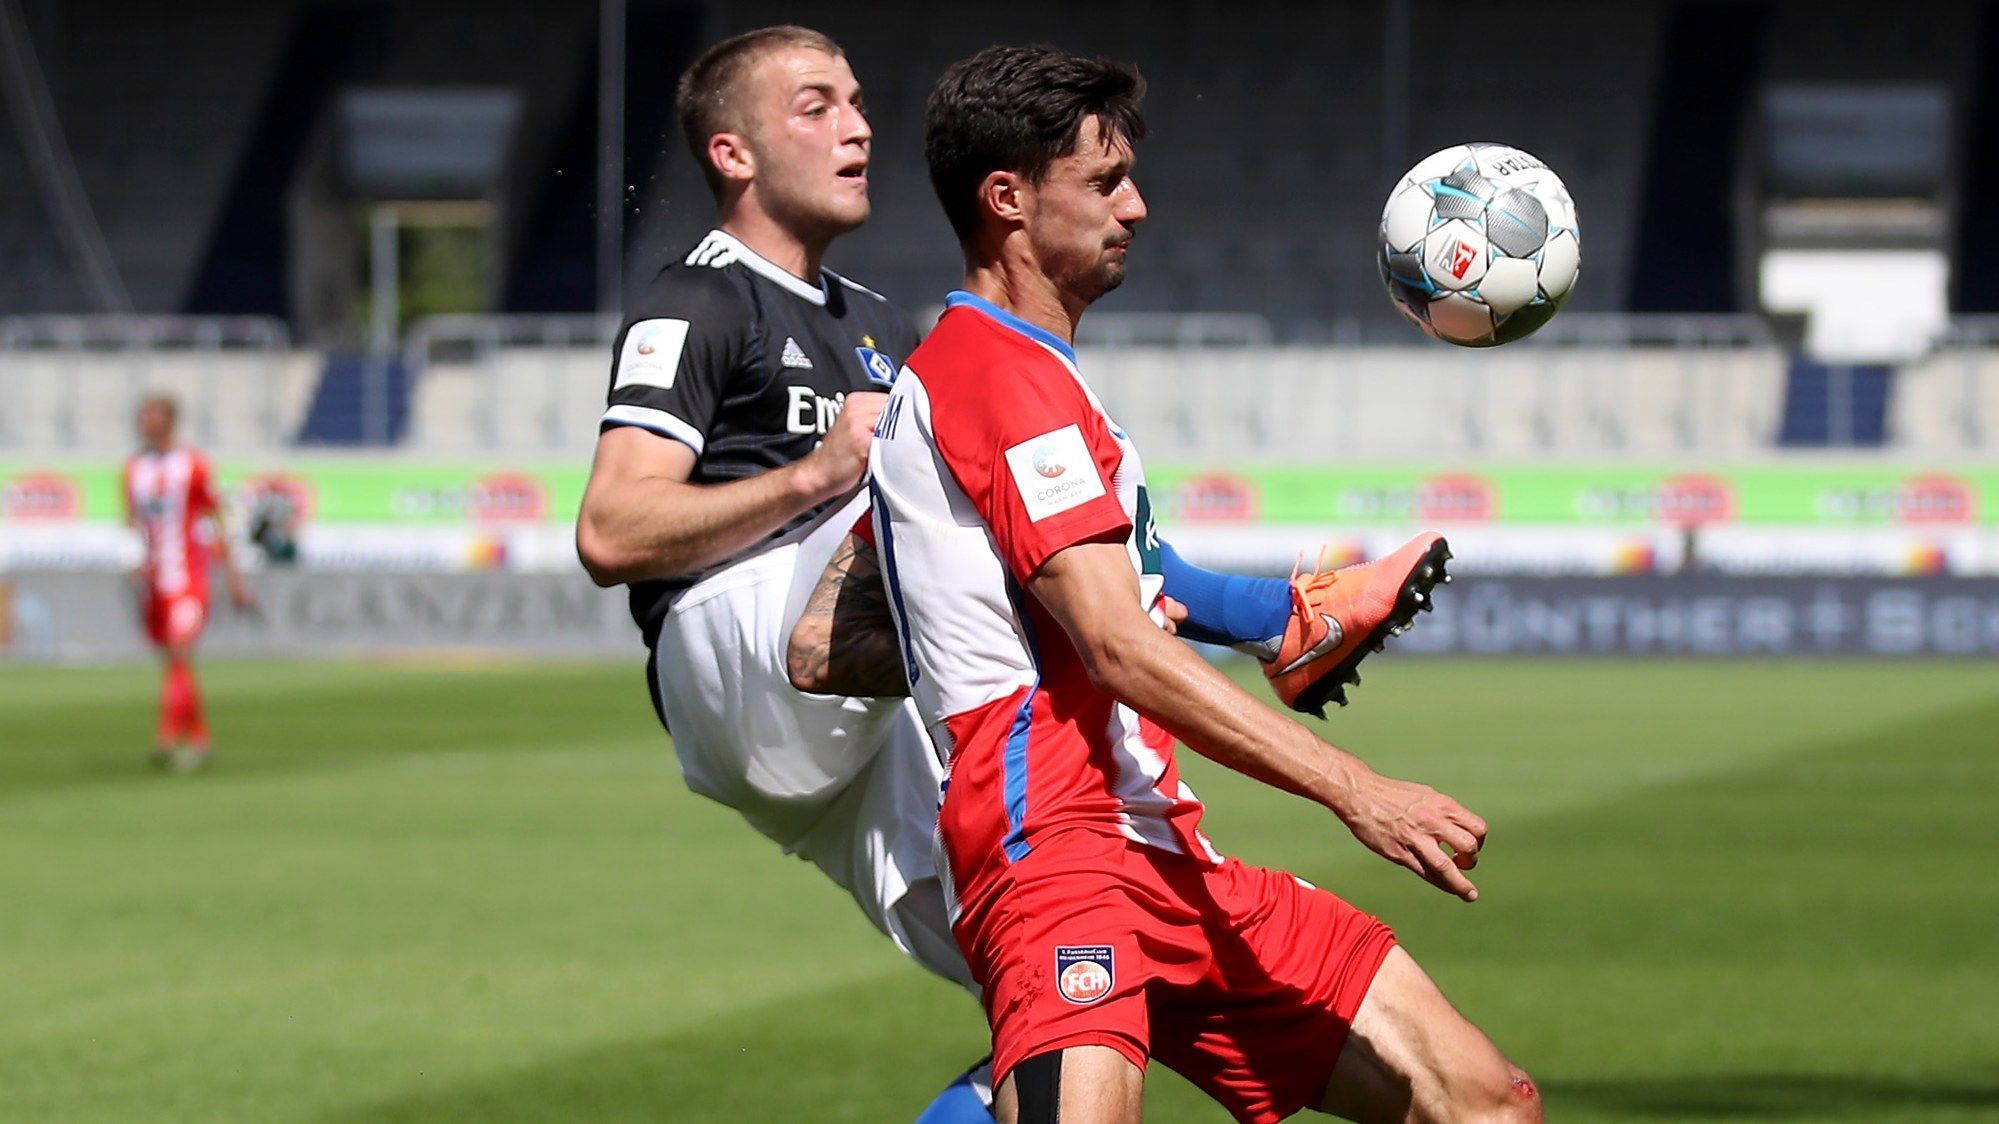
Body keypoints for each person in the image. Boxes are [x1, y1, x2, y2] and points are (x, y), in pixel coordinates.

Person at [576, 25, 1444, 1122]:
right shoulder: (700, 299)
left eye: (855, 98)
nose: (854, 122)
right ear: (731, 154)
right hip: (741, 642)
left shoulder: (878, 324)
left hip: (856, 722)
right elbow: (610, 530)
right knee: (970, 471)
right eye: (812, 105)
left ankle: (1282, 621)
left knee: (1070, 974)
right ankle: (1282, 617)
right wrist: (816, 471)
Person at [865, 44, 1540, 1124]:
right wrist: (1354, 788)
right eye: (1101, 181)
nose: (1135, 206)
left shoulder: (1019, 377)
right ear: (1007, 199)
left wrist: (1279, 615)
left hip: (1163, 846)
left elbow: (1111, 588)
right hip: (1054, 843)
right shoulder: (997, 374)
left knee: (1483, 1102)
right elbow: (1119, 644)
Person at [123, 394, 254, 771]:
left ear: (170, 420)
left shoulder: (193, 466)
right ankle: (199, 738)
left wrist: (234, 579)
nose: (144, 420)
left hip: (188, 578)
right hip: (155, 584)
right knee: (173, 660)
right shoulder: (134, 470)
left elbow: (217, 519)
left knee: (181, 649)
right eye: (142, 414)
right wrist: (134, 559)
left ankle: (167, 737)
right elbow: (132, 522)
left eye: (152, 414)